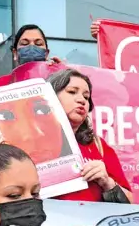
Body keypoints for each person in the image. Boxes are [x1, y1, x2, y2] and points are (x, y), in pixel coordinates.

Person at [47, 69, 133, 203]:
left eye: (86, 97)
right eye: (72, 92)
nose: (81, 100)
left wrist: (107, 182)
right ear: (49, 97)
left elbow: (130, 201)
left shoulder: (98, 145)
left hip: (91, 223)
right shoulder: (25, 142)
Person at [0, 24, 64, 90]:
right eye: (24, 43)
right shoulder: (0, 85)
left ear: (46, 54)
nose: (31, 47)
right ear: (15, 53)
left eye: (38, 44)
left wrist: (65, 74)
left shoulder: (58, 79)